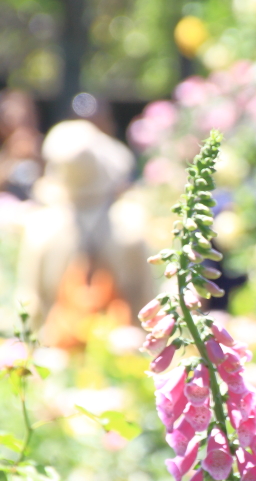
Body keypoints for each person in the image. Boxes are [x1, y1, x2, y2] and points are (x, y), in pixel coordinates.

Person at [17, 119, 155, 346]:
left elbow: (30, 306)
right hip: (122, 355)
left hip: (60, 351)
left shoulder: (41, 229)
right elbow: (148, 302)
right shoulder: (130, 225)